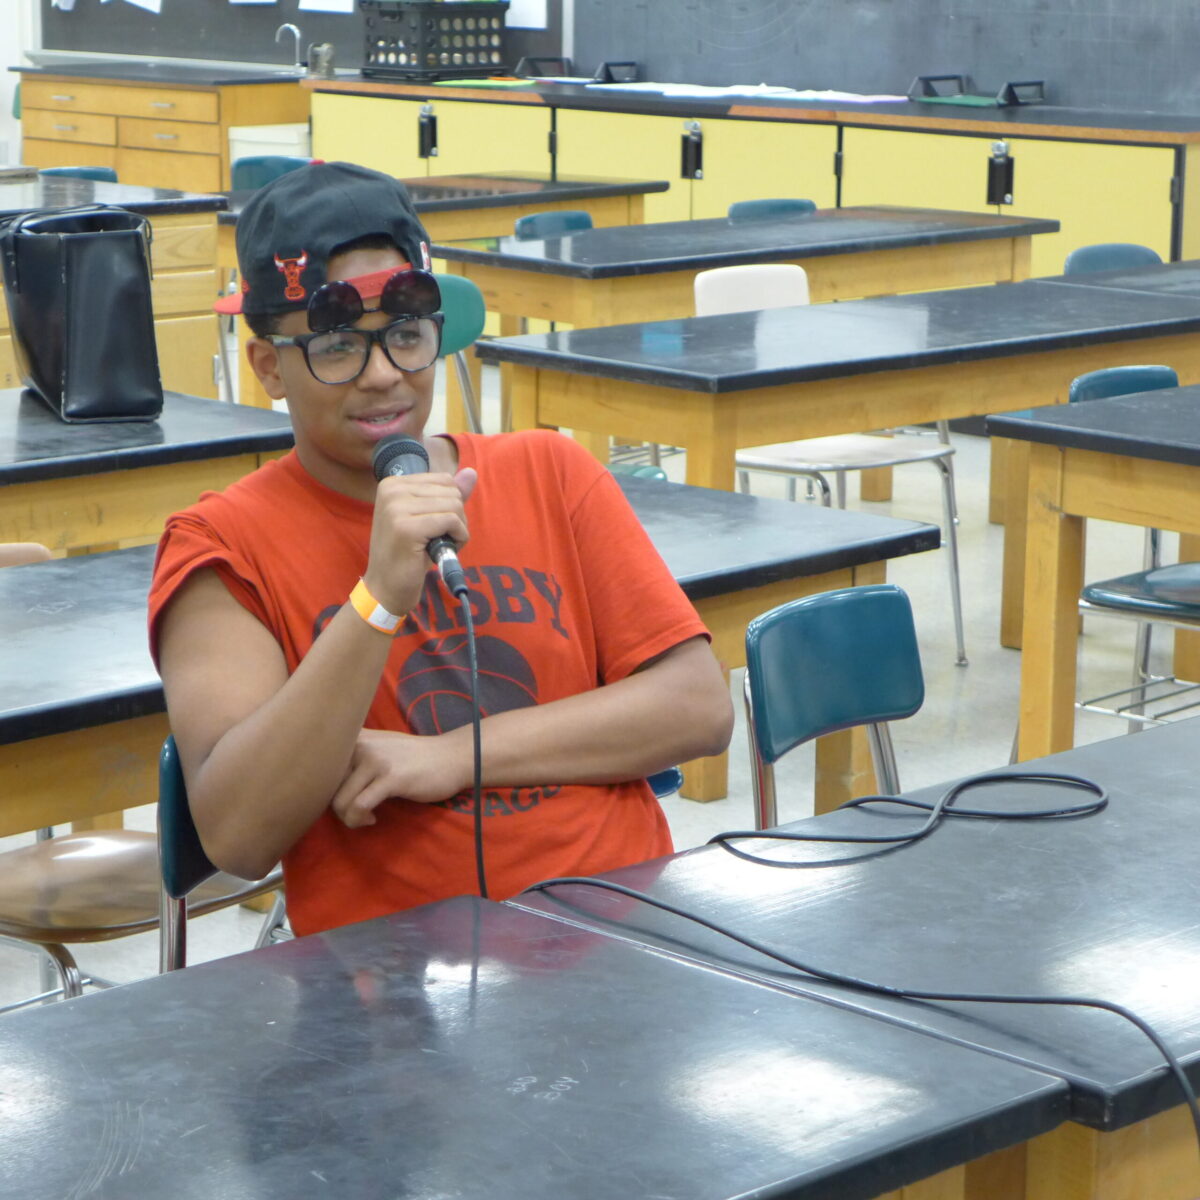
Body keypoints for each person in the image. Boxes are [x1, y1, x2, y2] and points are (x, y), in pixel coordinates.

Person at [149, 161, 733, 937]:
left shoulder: (548, 472)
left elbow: (696, 707)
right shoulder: (222, 547)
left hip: (626, 931)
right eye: (336, 349)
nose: (384, 376)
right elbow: (239, 834)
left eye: (405, 337)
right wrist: (377, 600)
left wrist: (456, 756)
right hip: (393, 990)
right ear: (269, 369)